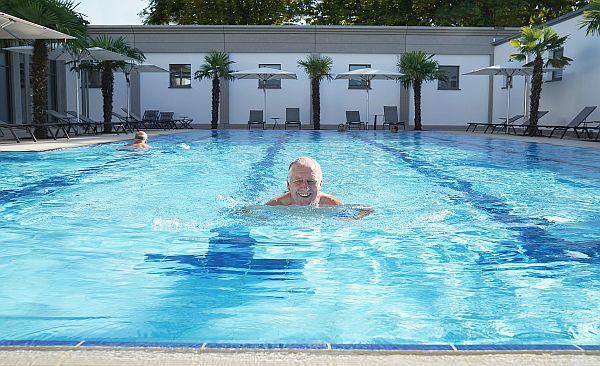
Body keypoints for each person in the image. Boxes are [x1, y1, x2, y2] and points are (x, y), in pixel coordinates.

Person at [266, 157, 342, 207]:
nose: (305, 187)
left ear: (320, 184)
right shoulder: (274, 206)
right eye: (298, 181)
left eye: (311, 181)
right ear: (288, 185)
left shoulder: (333, 205)